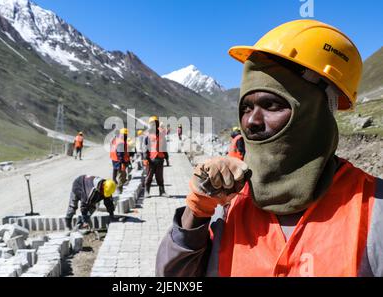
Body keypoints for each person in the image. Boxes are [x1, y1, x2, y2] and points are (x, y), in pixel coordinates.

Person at [156, 19, 383, 277]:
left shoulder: (374, 209)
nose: (251, 121)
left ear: (316, 112)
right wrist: (197, 211)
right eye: (246, 108)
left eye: (272, 105)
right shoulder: (226, 202)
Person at [143, 116, 169, 197]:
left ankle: (162, 191)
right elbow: (145, 148)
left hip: (160, 159)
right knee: (149, 176)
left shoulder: (161, 135)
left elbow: (164, 147)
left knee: (160, 177)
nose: (154, 125)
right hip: (151, 159)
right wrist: (145, 158)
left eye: (155, 123)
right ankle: (146, 192)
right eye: (152, 123)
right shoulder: (147, 136)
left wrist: (167, 158)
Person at [110, 128, 130, 194]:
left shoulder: (116, 140)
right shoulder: (121, 142)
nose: (126, 136)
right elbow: (120, 153)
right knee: (122, 175)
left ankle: (115, 181)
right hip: (119, 160)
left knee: (118, 171)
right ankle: (119, 189)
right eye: (125, 135)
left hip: (114, 159)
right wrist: (122, 162)